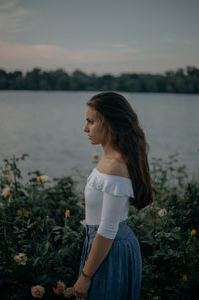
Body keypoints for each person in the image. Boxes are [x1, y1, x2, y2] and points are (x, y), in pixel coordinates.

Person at [73, 92, 153, 299]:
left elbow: (108, 229)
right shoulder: (110, 158)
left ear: (109, 122)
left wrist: (85, 275)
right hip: (103, 244)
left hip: (109, 248)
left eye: (91, 122)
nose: (85, 129)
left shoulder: (115, 166)